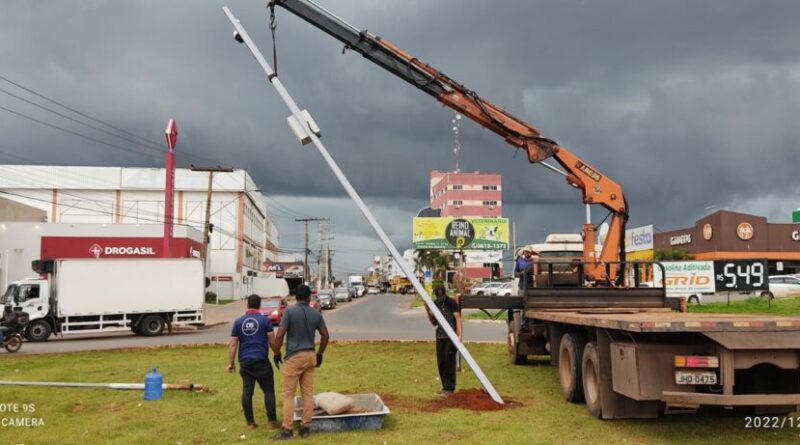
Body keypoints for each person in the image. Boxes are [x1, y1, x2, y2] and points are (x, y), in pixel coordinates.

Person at [272, 285, 329, 440]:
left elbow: (279, 335)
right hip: (310, 355)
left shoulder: (289, 311)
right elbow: (325, 336)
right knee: (308, 394)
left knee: (289, 394)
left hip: (294, 357)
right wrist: (320, 354)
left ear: (296, 297)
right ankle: (305, 427)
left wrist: (276, 353)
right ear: (309, 297)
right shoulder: (316, 313)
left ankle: (287, 429)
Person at [228, 294, 281, 430]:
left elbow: (233, 344)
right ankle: (272, 422)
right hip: (261, 360)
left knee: (247, 391)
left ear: (247, 305)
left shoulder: (238, 322)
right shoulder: (265, 321)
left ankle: (250, 423)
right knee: (268, 391)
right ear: (259, 306)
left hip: (245, 362)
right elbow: (272, 341)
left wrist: (231, 363)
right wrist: (277, 353)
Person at [424, 285, 462, 397]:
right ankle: (445, 388)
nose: (440, 297)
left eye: (442, 295)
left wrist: (459, 336)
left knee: (449, 362)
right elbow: (434, 323)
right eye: (438, 295)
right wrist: (427, 309)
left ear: (445, 294)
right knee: (441, 363)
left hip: (451, 337)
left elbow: (458, 318)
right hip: (440, 337)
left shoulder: (451, 303)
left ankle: (450, 388)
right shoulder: (435, 304)